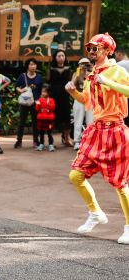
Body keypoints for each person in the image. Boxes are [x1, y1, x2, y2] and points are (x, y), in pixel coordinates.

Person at [64, 33, 129, 244]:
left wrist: (107, 81)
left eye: (95, 48)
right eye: (89, 49)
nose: (91, 52)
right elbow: (88, 102)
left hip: (116, 130)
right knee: (75, 175)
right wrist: (73, 92)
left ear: (107, 50)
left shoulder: (117, 71)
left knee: (121, 183)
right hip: (96, 130)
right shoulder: (91, 75)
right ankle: (95, 213)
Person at [15, 58, 43, 148]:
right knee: (21, 122)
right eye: (31, 64)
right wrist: (21, 90)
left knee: (36, 122)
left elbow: (41, 90)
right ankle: (19, 141)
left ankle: (36, 141)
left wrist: (40, 101)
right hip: (24, 102)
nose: (33, 66)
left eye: (34, 64)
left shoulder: (39, 77)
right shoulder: (22, 76)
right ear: (27, 66)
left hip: (35, 102)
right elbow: (16, 86)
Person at [49, 49, 73, 147]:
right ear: (55, 58)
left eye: (63, 56)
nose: (61, 58)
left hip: (65, 96)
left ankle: (66, 138)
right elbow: (48, 81)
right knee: (52, 118)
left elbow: (71, 82)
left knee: (66, 118)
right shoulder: (51, 69)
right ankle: (51, 141)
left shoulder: (69, 69)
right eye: (59, 56)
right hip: (54, 97)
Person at [71, 58, 94, 151]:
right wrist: (78, 73)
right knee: (78, 121)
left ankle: (90, 141)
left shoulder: (92, 72)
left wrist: (90, 71)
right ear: (79, 64)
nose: (84, 65)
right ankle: (77, 142)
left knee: (91, 122)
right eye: (82, 64)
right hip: (79, 99)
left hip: (90, 100)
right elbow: (72, 85)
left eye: (86, 63)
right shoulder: (76, 73)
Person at [35, 85, 55, 152]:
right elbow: (37, 109)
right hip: (41, 119)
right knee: (41, 132)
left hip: (49, 120)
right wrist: (38, 103)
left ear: (48, 93)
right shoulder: (39, 100)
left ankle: (51, 144)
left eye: (45, 92)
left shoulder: (51, 100)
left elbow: (52, 108)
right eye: (42, 92)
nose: (43, 93)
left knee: (49, 132)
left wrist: (47, 103)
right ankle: (41, 144)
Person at [113, 47, 129, 126]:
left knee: (123, 121)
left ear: (120, 54)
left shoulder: (116, 65)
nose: (115, 58)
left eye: (115, 55)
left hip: (121, 96)